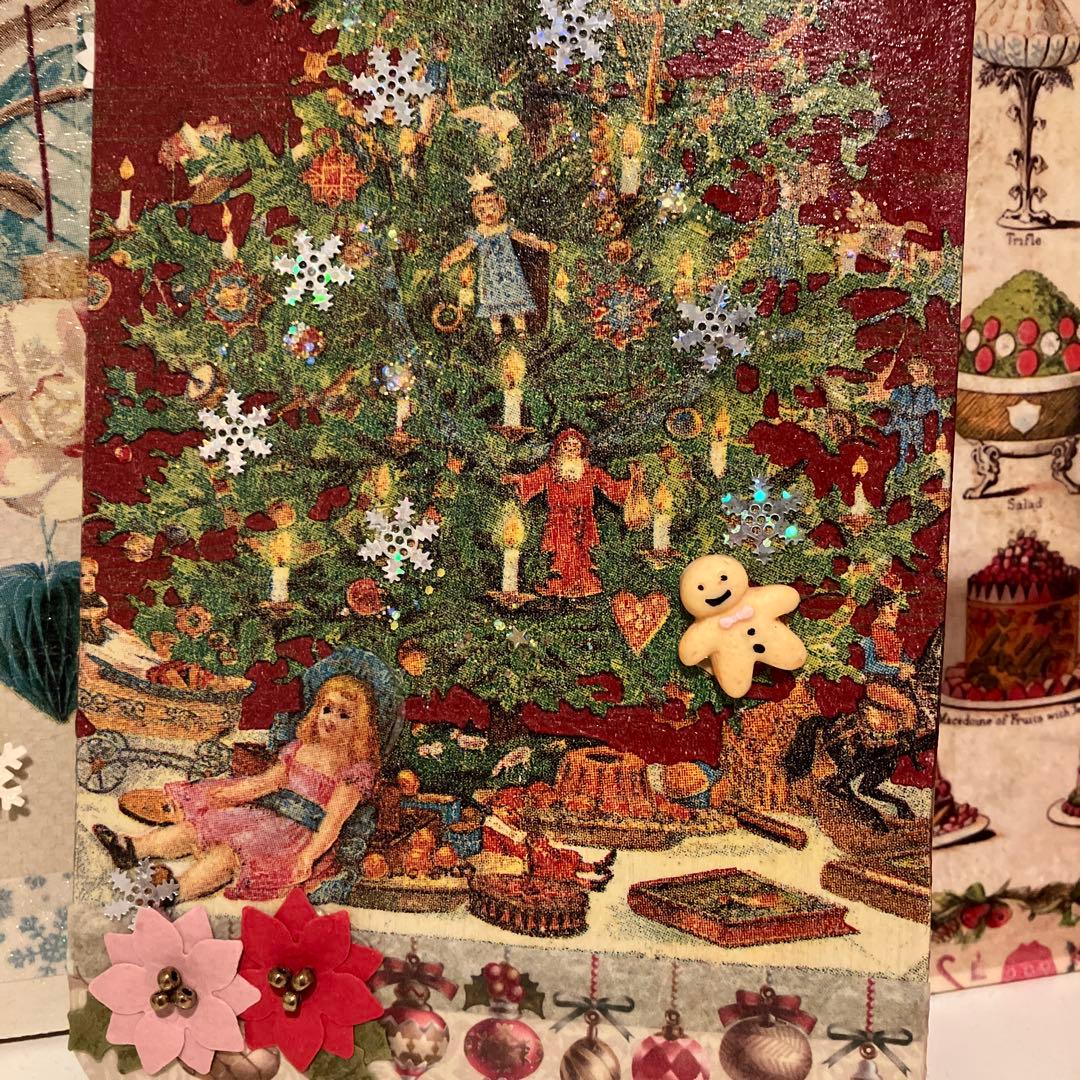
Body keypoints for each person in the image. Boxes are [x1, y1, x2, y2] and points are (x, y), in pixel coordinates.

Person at [92, 675, 381, 901]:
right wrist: (231, 795)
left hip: (292, 835)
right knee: (199, 827)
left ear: (360, 727)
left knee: (228, 855)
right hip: (264, 816)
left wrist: (308, 856)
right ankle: (132, 848)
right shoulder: (301, 748)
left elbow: (333, 823)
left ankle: (175, 892)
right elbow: (267, 782)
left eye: (344, 715)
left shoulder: (353, 772)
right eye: (327, 710)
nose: (331, 719)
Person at [502, 428, 643, 597]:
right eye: (566, 445)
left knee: (583, 557)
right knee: (562, 555)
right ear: (559, 449)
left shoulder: (591, 472)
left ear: (581, 450)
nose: (571, 449)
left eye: (575, 446)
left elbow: (613, 488)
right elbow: (531, 481)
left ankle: (584, 587)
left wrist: (633, 481)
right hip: (559, 522)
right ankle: (559, 587)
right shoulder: (550, 470)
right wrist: (516, 479)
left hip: (584, 521)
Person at [441, 183, 555, 339]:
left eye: (492, 209)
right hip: (490, 274)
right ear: (476, 213)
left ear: (501, 210)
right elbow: (465, 249)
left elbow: (525, 239)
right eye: (482, 211)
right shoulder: (480, 232)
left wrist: (543, 245)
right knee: (492, 305)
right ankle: (497, 333)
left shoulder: (505, 228)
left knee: (516, 301)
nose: (488, 214)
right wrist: (450, 258)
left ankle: (521, 330)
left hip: (509, 272)